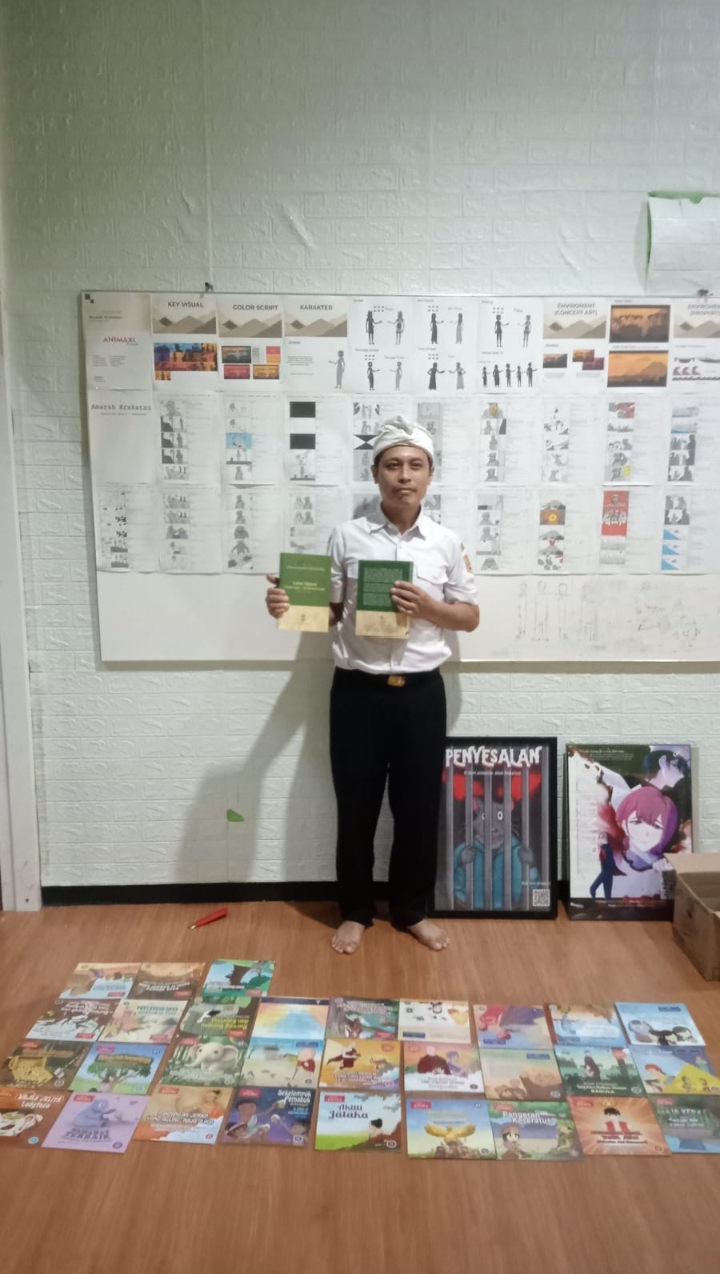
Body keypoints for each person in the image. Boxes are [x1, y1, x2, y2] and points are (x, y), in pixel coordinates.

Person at [266, 416, 480, 955]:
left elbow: (470, 616)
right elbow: (330, 612)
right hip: (357, 694)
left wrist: (430, 608)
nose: (404, 476)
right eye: (393, 465)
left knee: (417, 809)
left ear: (430, 475)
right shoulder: (348, 536)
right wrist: (288, 606)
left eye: (415, 465)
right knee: (356, 807)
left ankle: (411, 910)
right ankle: (356, 911)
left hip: (422, 695)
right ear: (376, 473)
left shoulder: (446, 543)